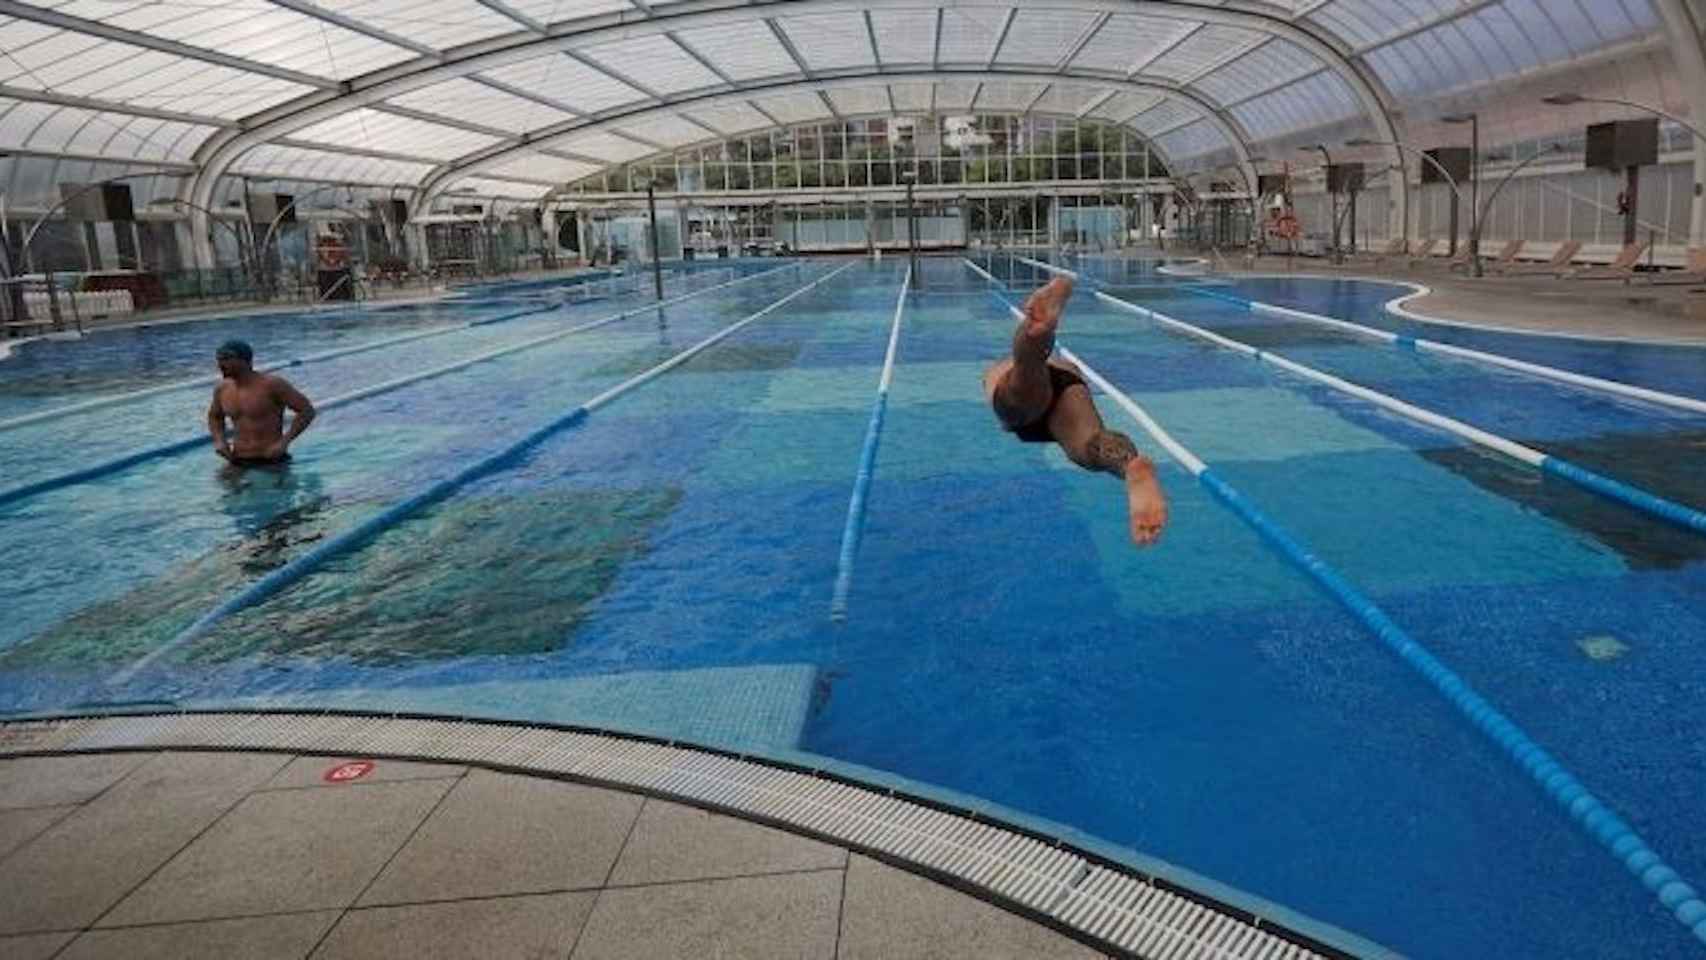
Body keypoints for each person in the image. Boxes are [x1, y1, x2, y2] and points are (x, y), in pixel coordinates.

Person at [982, 276, 1168, 547]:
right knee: (1091, 444)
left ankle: (1038, 331)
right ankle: (1129, 466)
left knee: (1023, 380)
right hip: (1067, 382)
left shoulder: (998, 370)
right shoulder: (1052, 363)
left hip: (1029, 388)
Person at [207, 339, 315, 467]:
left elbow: (307, 411)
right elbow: (215, 416)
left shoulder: (272, 384)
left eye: (226, 359)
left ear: (244, 360)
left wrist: (284, 442)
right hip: (237, 459)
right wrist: (219, 440)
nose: (220, 364)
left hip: (271, 460)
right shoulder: (222, 389)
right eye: (218, 359)